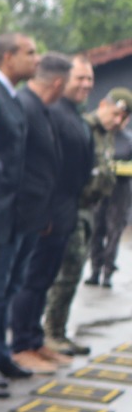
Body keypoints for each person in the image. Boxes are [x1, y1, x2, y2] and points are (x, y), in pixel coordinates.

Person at [42, 57, 113, 355]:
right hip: (61, 208)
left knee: (72, 273)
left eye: (89, 80)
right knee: (59, 274)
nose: (85, 85)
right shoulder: (57, 115)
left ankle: (57, 331)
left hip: (82, 207)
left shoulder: (77, 115)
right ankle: (48, 334)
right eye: (79, 78)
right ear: (63, 79)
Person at [8, 52, 73, 373]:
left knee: (36, 280)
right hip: (25, 211)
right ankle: (20, 344)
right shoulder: (26, 105)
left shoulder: (43, 109)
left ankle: (32, 338)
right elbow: (21, 163)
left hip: (43, 210)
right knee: (24, 282)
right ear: (60, 82)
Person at [0, 33, 38, 379]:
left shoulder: (13, 96)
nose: (36, 59)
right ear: (8, 57)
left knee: (5, 289)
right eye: (30, 53)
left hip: (14, 213)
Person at [87, 90, 132, 287]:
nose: (119, 120)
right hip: (99, 190)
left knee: (114, 231)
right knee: (96, 228)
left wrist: (114, 168)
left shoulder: (128, 140)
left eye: (123, 116)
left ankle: (107, 271)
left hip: (120, 189)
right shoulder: (101, 135)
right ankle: (95, 269)